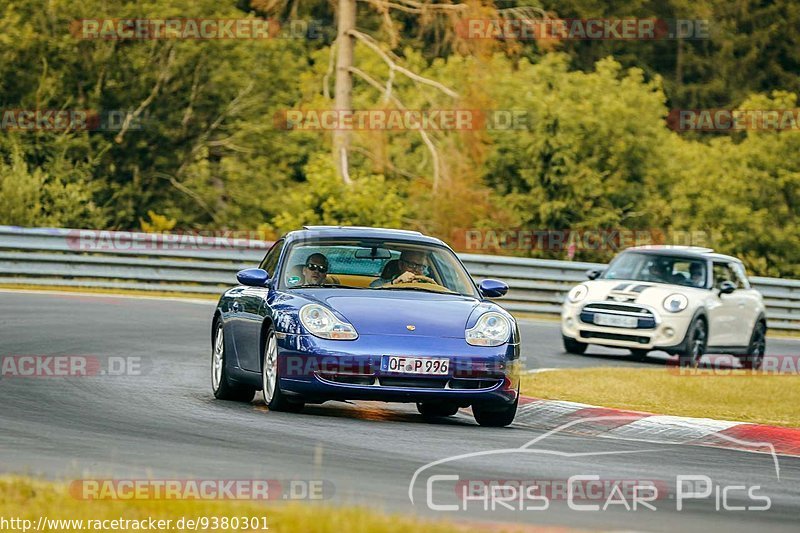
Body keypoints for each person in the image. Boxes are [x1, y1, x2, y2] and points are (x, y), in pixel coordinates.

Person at [370, 250, 436, 287]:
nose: (416, 270)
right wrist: (395, 282)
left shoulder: (428, 285)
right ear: (401, 265)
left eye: (420, 267)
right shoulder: (380, 283)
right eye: (411, 265)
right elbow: (372, 295)